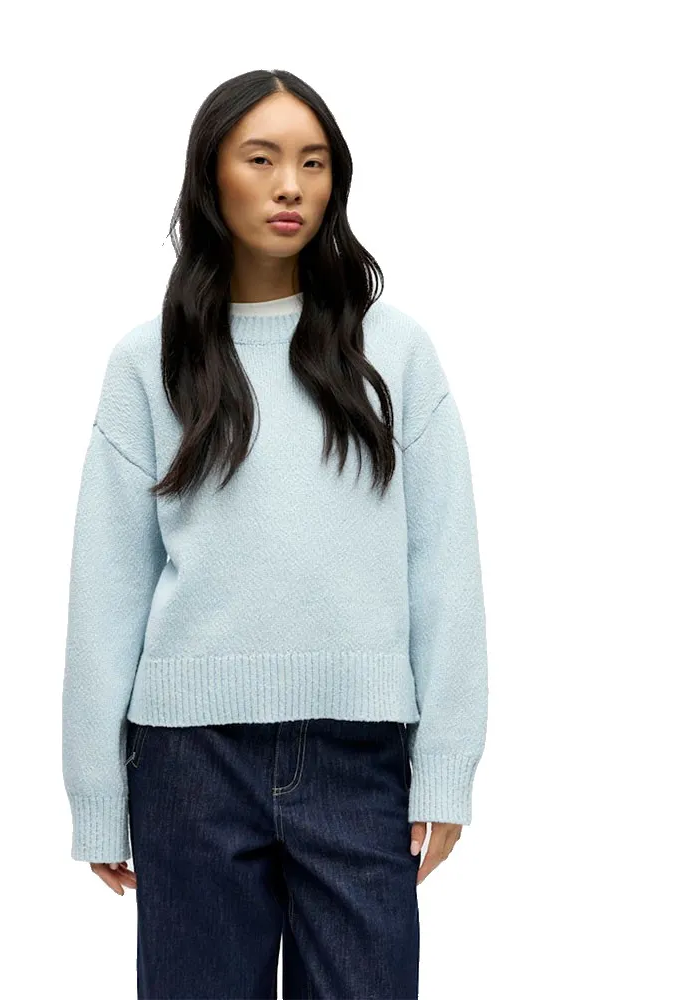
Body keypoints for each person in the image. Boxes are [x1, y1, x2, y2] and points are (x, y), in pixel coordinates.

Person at [62, 68, 488, 999]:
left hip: (361, 757)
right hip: (189, 764)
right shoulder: (148, 361)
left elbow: (444, 570)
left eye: (313, 162)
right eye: (261, 159)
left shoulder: (395, 351)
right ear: (210, 175)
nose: (290, 185)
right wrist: (96, 794)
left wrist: (445, 771)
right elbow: (108, 586)